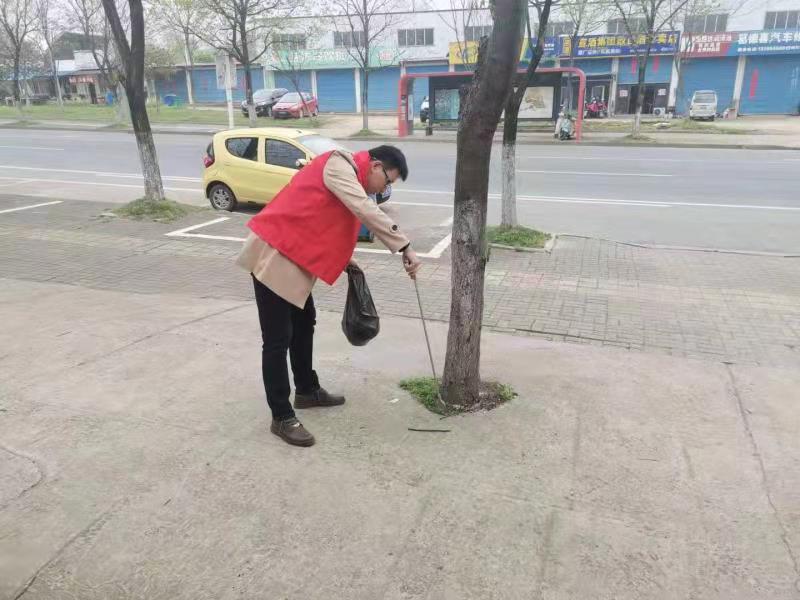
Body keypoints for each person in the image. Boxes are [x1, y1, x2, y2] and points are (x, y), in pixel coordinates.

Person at [236, 145, 422, 447]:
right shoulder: (340, 165)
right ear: (376, 166)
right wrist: (404, 246)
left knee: (304, 323)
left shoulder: (348, 173)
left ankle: (307, 390)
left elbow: (321, 216)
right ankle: (281, 416)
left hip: (292, 256)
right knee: (277, 339)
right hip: (274, 253)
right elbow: (362, 208)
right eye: (388, 181)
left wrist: (345, 259)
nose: (385, 189)